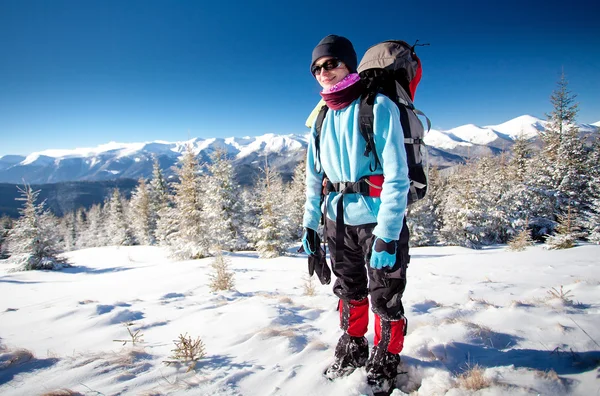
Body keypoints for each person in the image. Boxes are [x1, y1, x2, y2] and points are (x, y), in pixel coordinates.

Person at [302, 34, 411, 392]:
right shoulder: (319, 119)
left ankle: (386, 355)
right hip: (336, 221)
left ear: (348, 64)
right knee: (349, 287)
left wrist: (389, 232)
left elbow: (397, 176)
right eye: (317, 67)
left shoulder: (377, 107)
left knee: (385, 292)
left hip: (377, 220)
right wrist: (311, 227)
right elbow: (313, 179)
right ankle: (353, 345)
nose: (323, 72)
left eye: (331, 63)